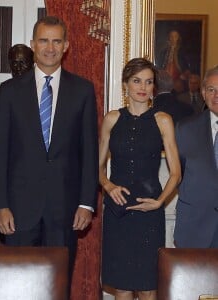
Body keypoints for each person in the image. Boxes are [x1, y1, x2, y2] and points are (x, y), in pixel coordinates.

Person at [0, 16, 98, 285]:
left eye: (56, 41)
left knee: (57, 286)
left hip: (65, 211)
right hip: (17, 213)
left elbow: (89, 151)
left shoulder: (83, 90)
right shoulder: (9, 92)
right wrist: (0, 206)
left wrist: (86, 203)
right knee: (17, 286)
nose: (50, 47)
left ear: (66, 46)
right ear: (33, 45)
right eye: (43, 40)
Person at [99, 58, 181, 300]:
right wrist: (108, 185)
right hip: (118, 213)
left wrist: (160, 202)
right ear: (125, 84)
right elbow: (98, 166)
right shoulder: (112, 119)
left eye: (148, 82)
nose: (142, 87)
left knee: (148, 287)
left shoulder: (162, 120)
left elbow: (176, 172)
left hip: (149, 213)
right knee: (122, 288)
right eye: (136, 81)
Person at [174, 65, 218, 248]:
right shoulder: (185, 129)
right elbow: (179, 173)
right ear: (202, 92)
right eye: (211, 90)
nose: (216, 96)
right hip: (195, 229)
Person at [0, 44, 34, 112]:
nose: (18, 68)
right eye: (15, 63)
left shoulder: (41, 94)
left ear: (32, 65)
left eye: (23, 63)